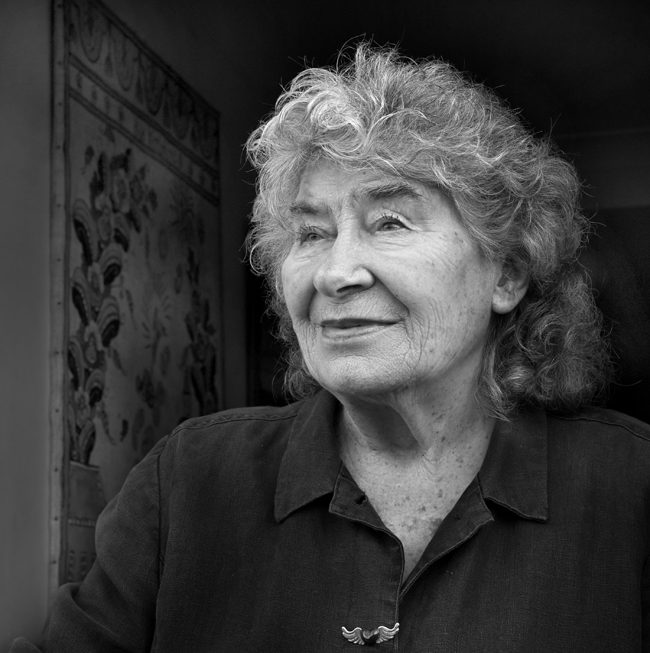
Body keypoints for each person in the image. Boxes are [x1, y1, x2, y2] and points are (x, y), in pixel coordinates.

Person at [10, 44, 650, 652]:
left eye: (390, 222)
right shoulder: (187, 481)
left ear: (506, 274)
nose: (335, 273)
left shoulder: (629, 484)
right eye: (311, 233)